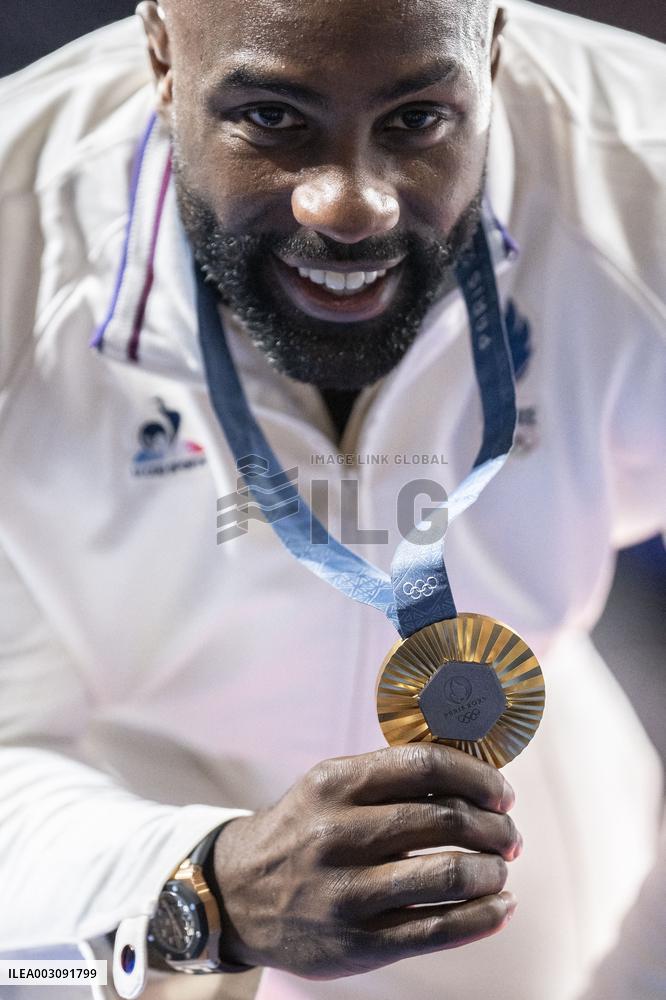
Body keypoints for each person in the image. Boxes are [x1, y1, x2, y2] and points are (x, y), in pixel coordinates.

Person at [0, 1, 664, 998]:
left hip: (516, 792)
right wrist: (200, 889)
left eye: (415, 119)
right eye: (272, 117)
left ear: (492, 50)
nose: (351, 205)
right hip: (93, 800)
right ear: (162, 59)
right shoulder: (18, 238)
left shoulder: (642, 177)